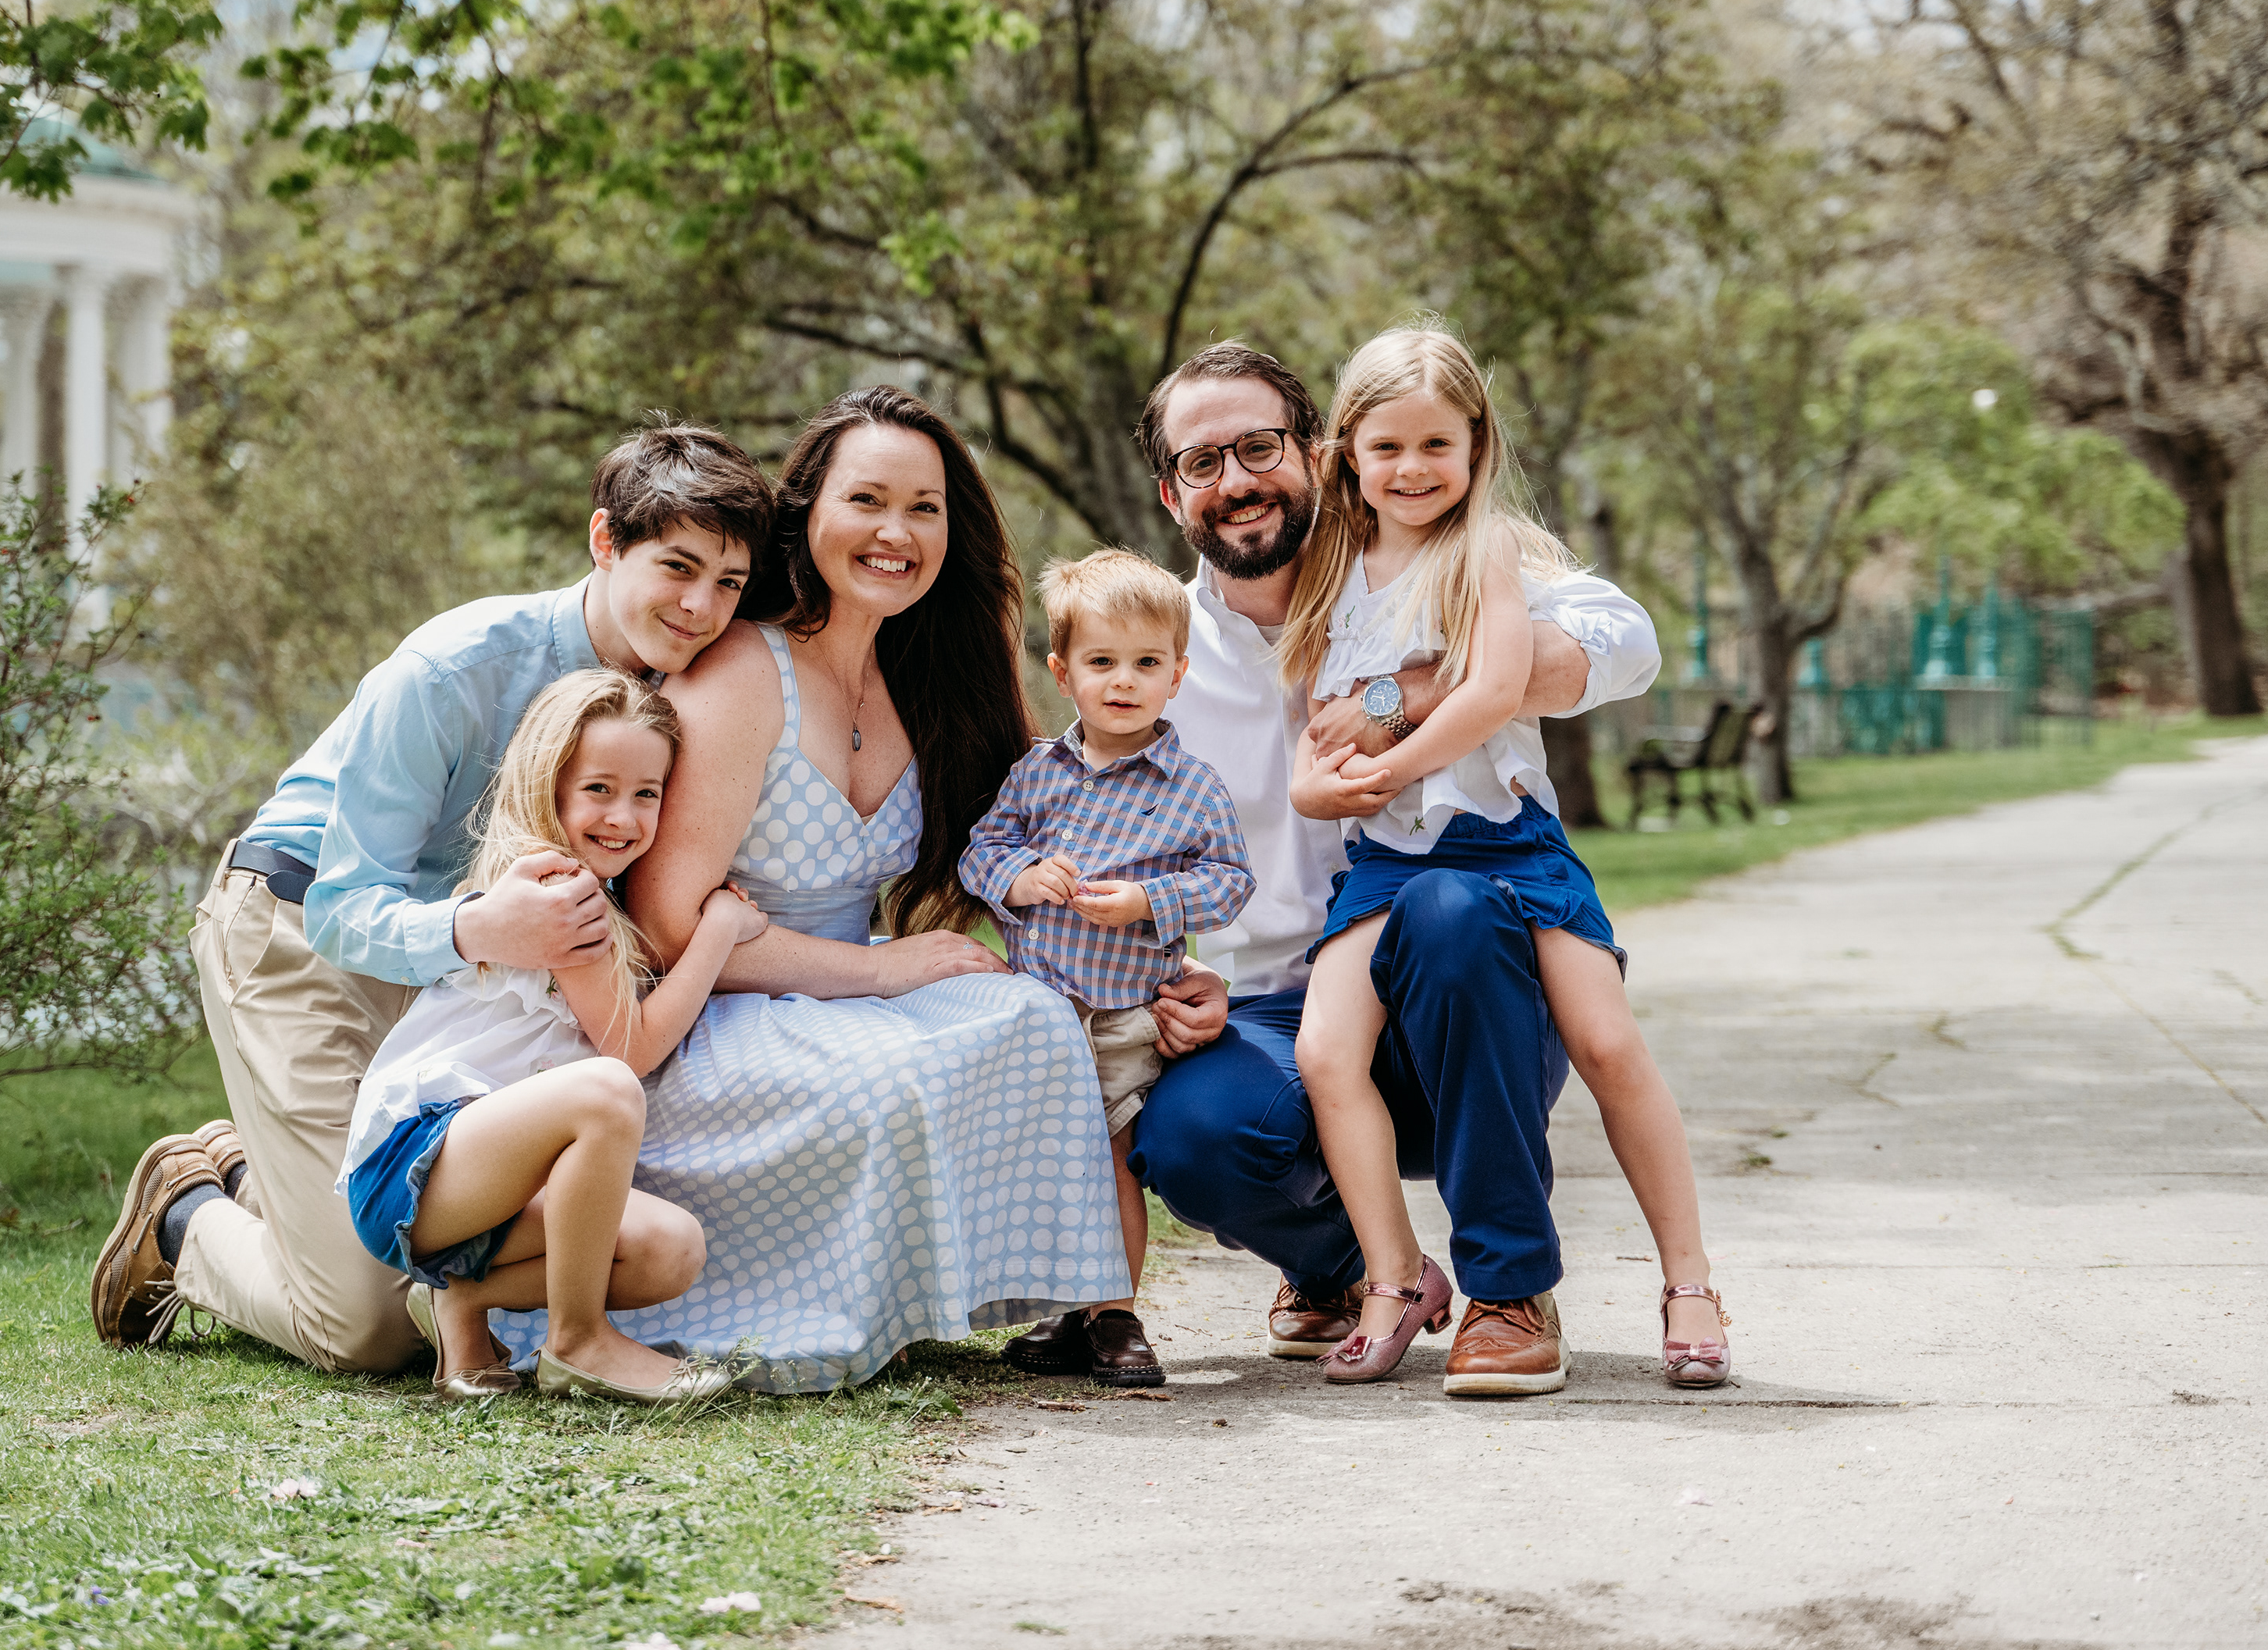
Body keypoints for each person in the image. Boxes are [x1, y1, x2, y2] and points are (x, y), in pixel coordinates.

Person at [89, 423, 778, 1372]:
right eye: (678, 567)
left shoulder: (674, 693)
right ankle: (186, 1216)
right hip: (299, 930)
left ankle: (269, 1179)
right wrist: (477, 926)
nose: (702, 606)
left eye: (729, 583)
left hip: (468, 982)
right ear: (605, 541)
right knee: (367, 1327)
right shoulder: (455, 666)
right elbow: (342, 905)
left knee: (422, 1244)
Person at [592, 387, 1188, 1392]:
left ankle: (1075, 1304)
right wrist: (875, 971)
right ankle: (819, 1309)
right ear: (809, 511)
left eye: (926, 508)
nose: (896, 533)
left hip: (856, 986)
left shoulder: (933, 670)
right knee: (884, 1076)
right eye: (868, 500)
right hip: (720, 1004)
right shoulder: (744, 669)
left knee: (1035, 1018)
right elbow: (663, 921)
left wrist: (1154, 969)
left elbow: (1040, 853)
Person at [1122, 340, 1662, 1399]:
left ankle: (1512, 1290)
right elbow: (1118, 845)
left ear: (1316, 453)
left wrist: (1406, 691)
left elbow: (1627, 639)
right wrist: (1157, 983)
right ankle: (1354, 1269)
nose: (1235, 481)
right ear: (1170, 493)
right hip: (1282, 1007)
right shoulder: (1156, 656)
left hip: (1464, 995)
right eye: (1202, 462)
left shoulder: (1421, 566)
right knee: (1191, 1137)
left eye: (1259, 447)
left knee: (1456, 911)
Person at [1278, 327, 1724, 1389]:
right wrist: (1317, 787)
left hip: (1508, 846)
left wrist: (1390, 762)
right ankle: (1394, 1278)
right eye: (1387, 446)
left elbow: (1488, 692)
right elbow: (1316, 723)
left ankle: (1691, 1279)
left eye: (1439, 443)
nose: (1414, 469)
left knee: (1610, 1043)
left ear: (1478, 446)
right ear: (1347, 450)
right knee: (1324, 1056)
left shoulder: (1484, 554)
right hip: (1386, 865)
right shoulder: (1331, 574)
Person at [340, 669, 758, 1406]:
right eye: (598, 789)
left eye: (646, 794)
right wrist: (719, 929)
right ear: (547, 785)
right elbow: (631, 1050)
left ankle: (461, 1303)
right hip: (415, 1163)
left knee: (671, 1249)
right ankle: (579, 1341)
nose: (623, 817)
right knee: (607, 1089)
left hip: (489, 1185)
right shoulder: (562, 892)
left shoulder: (593, 892)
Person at [957, 549, 1254, 1388]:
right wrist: (1018, 877)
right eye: (1101, 662)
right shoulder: (1035, 775)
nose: (1124, 681)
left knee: (1113, 1158)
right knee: (1049, 1162)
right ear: (1063, 672)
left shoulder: (1193, 787)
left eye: (1146, 663)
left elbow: (1231, 883)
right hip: (1040, 1008)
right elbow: (982, 851)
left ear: (1178, 674)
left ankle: (1117, 1312)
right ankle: (1065, 1310)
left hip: (1126, 1011)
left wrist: (1149, 902)